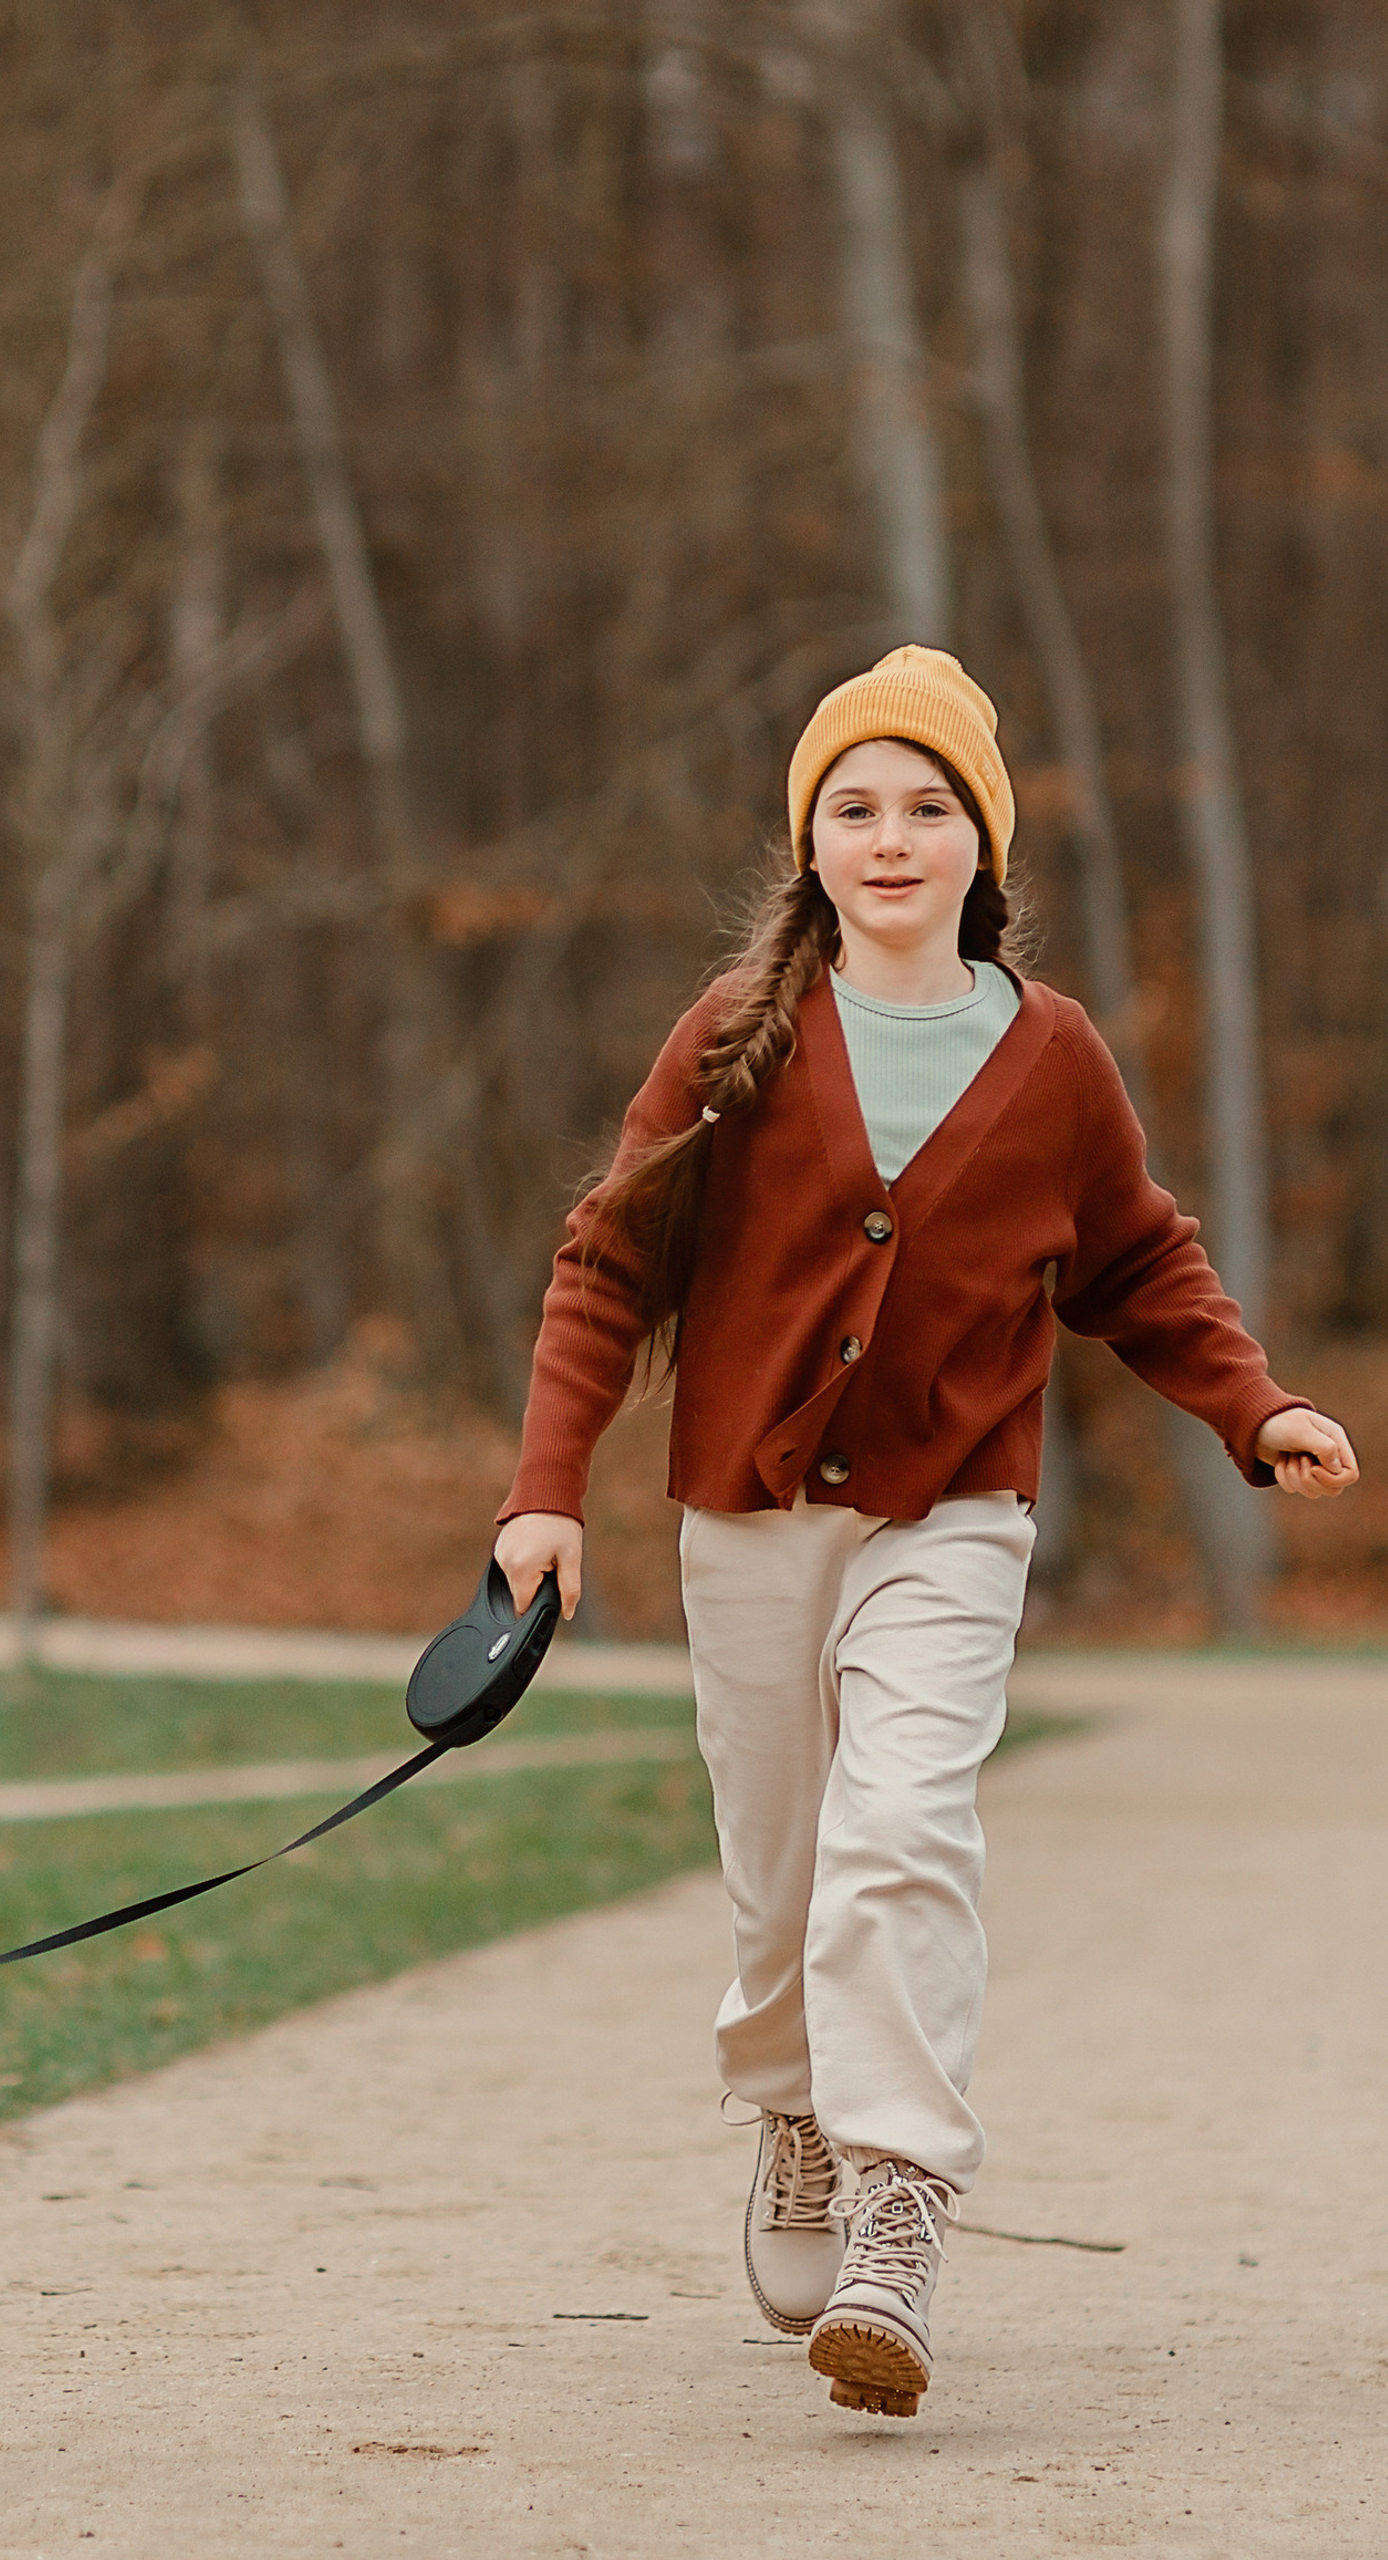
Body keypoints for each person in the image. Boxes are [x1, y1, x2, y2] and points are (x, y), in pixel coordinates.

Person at [491, 646, 1359, 2419]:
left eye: (929, 808)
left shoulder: (1046, 1057)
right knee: (786, 1877)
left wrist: (1252, 1404)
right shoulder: (731, 1042)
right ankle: (794, 2116)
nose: (892, 838)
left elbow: (1140, 1258)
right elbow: (605, 1267)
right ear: (811, 846)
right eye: (856, 809)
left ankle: (897, 2203)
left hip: (953, 1513)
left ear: (985, 847)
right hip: (742, 1521)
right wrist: (541, 1495)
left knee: (904, 1830)